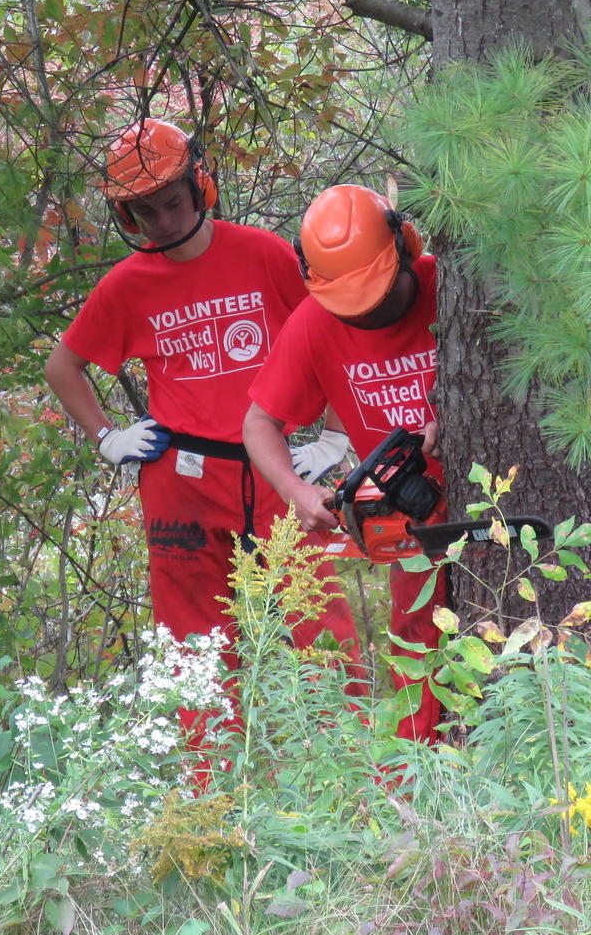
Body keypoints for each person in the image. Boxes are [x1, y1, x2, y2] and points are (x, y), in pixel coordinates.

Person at [45, 118, 358, 753]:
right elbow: (62, 367)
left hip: (275, 469)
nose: (162, 221)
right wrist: (107, 437)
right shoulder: (128, 284)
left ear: (199, 186)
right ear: (127, 216)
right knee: (196, 640)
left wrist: (334, 437)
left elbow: (336, 334)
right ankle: (209, 791)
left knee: (319, 620)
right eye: (145, 211)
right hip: (182, 477)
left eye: (171, 202)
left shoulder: (262, 252)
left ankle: (348, 768)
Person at [242, 184, 444, 744]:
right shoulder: (315, 322)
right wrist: (296, 492)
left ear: (405, 247)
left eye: (380, 297)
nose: (370, 313)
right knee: (415, 640)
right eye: (354, 305)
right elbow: (258, 425)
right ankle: (418, 780)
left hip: (494, 498)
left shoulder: (451, 288)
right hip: (408, 518)